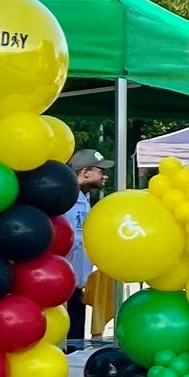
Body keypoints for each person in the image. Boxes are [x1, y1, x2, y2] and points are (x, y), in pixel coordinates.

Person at [64, 147, 112, 346]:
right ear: (85, 172)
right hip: (61, 285)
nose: (105, 176)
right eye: (101, 171)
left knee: (75, 341)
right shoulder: (64, 199)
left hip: (77, 285)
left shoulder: (84, 199)